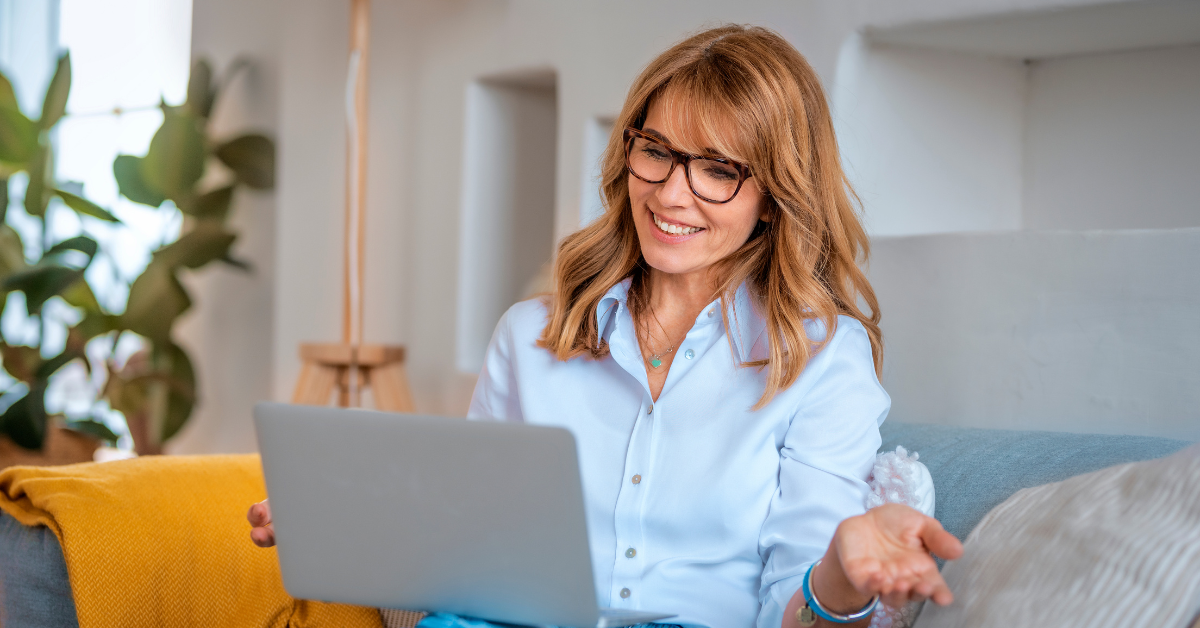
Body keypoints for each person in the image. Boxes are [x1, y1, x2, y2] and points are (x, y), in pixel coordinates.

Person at [249, 24, 962, 628]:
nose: (670, 192)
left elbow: (791, 612)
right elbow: (475, 547)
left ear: (773, 197)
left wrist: (841, 570)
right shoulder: (531, 335)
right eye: (655, 151)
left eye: (717, 169)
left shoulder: (825, 360)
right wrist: (349, 521)